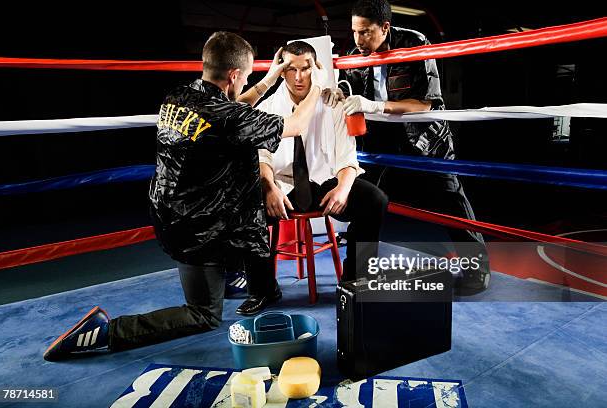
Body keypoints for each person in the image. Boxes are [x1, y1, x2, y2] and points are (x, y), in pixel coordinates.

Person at [43, 31, 330, 361]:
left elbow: (230, 111)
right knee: (204, 314)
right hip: (201, 232)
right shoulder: (228, 117)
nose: (248, 80)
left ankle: (240, 277)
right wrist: (318, 88)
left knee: (245, 178)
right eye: (247, 75)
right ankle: (109, 331)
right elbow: (294, 125)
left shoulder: (178, 96)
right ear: (234, 75)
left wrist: (267, 80)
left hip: (167, 216)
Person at [324, 0, 490, 295]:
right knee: (365, 198)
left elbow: (425, 103)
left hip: (425, 134)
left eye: (365, 33)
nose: (358, 40)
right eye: (354, 32)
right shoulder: (354, 55)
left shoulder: (414, 43)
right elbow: (352, 90)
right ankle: (358, 273)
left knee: (450, 196)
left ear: (385, 28)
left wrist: (375, 105)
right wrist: (340, 92)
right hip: (377, 137)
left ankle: (477, 269)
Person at [235, 41, 388, 316]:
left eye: (305, 69)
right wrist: (268, 187)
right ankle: (263, 289)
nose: (298, 77)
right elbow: (262, 159)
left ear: (315, 68)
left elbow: (347, 158)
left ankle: (355, 284)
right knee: (247, 204)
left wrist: (343, 188)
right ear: (281, 72)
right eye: (291, 69)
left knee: (374, 200)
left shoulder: (333, 103)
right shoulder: (267, 106)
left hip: (325, 182)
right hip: (283, 185)